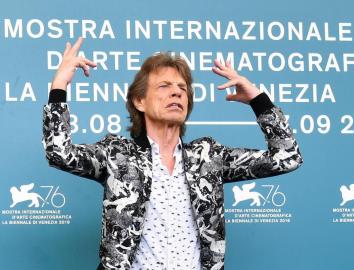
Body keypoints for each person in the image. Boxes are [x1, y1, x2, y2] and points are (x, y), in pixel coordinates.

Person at [42, 37, 303, 270]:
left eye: (182, 88)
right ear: (139, 101)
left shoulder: (207, 157)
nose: (177, 91)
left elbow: (287, 156)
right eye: (164, 86)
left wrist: (258, 100)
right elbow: (59, 153)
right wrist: (59, 86)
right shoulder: (118, 155)